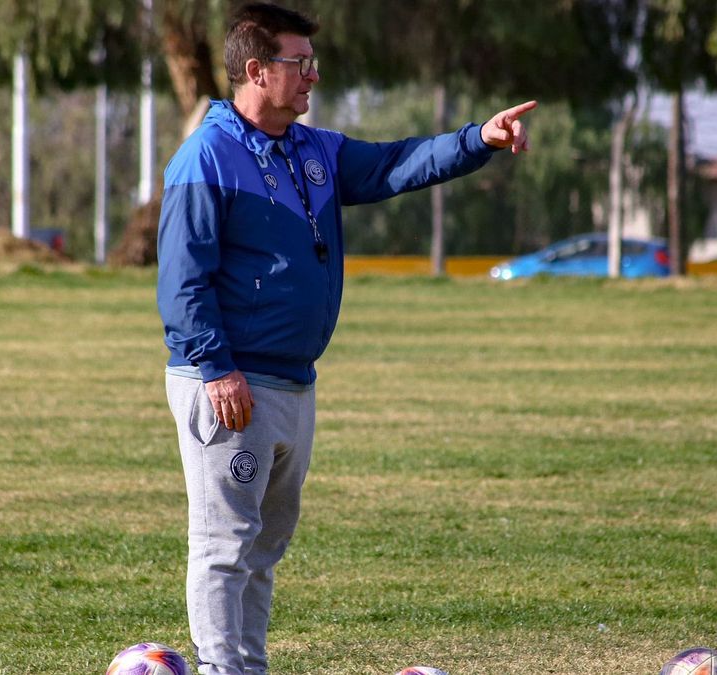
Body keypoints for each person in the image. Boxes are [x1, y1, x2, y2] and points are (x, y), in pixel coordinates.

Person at [155, 4, 536, 674]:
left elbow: (397, 164)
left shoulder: (313, 150)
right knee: (223, 542)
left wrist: (479, 137)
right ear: (254, 71)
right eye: (299, 64)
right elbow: (184, 282)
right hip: (229, 382)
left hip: (292, 381)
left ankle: (247, 664)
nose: (313, 76)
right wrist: (216, 369)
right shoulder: (206, 156)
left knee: (264, 547)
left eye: (312, 63)